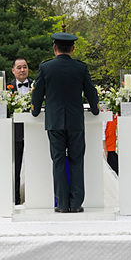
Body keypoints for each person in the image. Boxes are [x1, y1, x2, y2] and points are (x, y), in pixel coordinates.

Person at [30, 32, 100, 213]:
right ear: (73, 49)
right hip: (76, 121)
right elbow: (90, 91)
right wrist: (95, 109)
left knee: (58, 162)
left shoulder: (45, 68)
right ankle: (76, 203)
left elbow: (38, 93)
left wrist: (35, 110)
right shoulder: (80, 68)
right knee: (77, 161)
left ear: (55, 49)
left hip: (54, 122)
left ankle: (61, 203)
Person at [8, 57, 32, 202]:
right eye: (19, 67)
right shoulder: (5, 88)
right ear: (13, 70)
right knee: (16, 167)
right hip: (15, 133)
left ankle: (35, 196)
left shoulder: (37, 85)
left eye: (25, 67)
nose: (22, 70)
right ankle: (16, 197)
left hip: (34, 132)